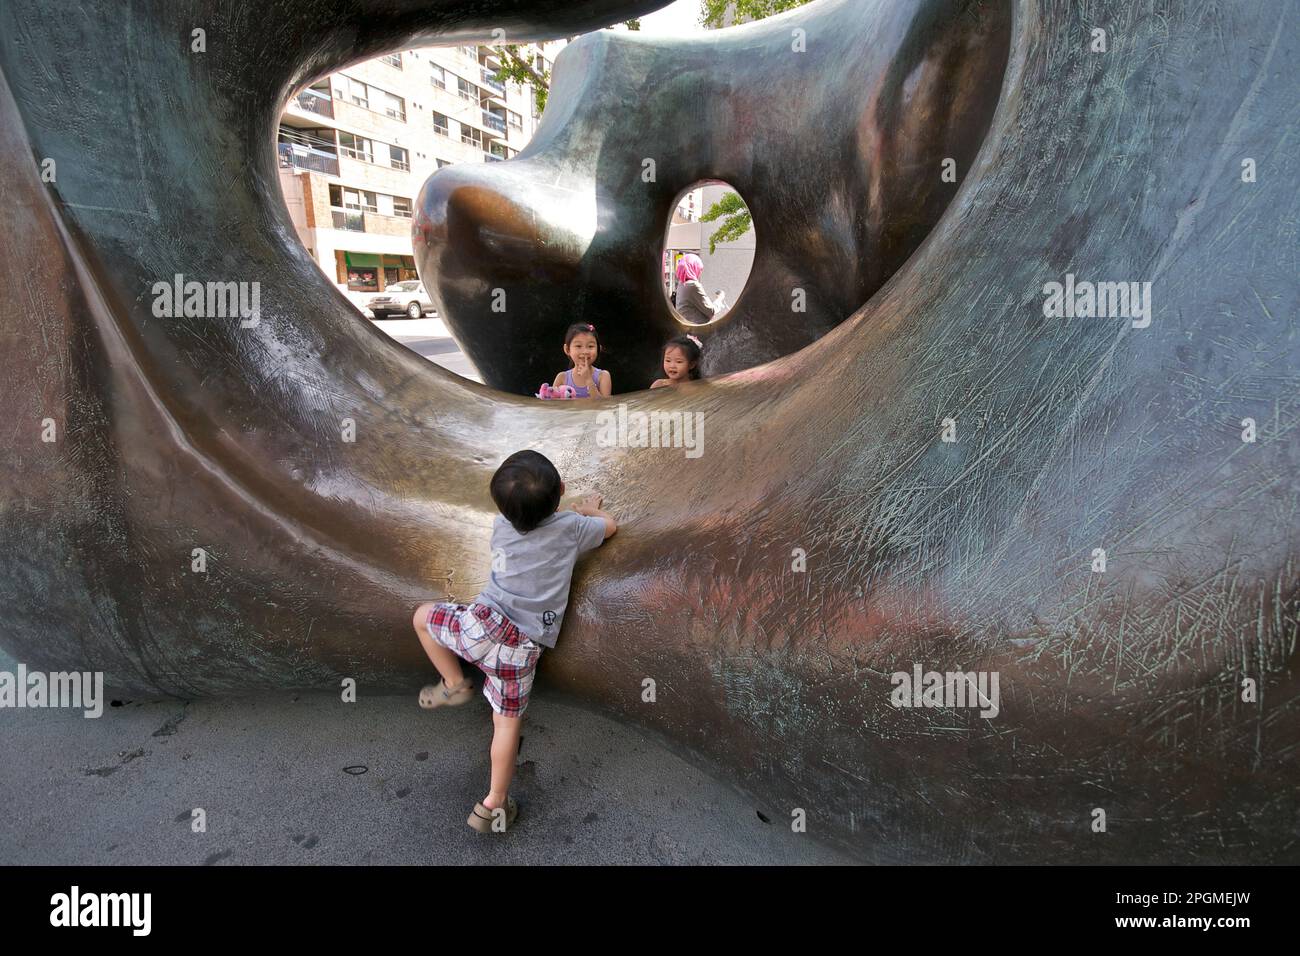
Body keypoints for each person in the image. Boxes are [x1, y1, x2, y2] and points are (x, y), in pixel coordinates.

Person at [412, 451, 617, 833]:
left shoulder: (501, 527)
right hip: (521, 647)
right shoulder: (572, 527)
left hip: (479, 626)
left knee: (422, 617)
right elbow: (610, 528)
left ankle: (453, 684)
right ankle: (493, 804)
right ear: (562, 492)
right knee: (505, 726)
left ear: (503, 509)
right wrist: (591, 511)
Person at [552, 322, 612, 398]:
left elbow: (604, 405)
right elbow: (554, 406)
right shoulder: (562, 378)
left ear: (598, 349)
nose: (585, 351)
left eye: (590, 346)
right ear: (567, 350)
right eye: (578, 346)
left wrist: (589, 380)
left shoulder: (603, 376)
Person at [672, 254, 726, 324]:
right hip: (698, 329)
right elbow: (711, 311)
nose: (699, 273)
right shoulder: (693, 285)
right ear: (693, 268)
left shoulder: (682, 284)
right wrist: (720, 298)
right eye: (699, 269)